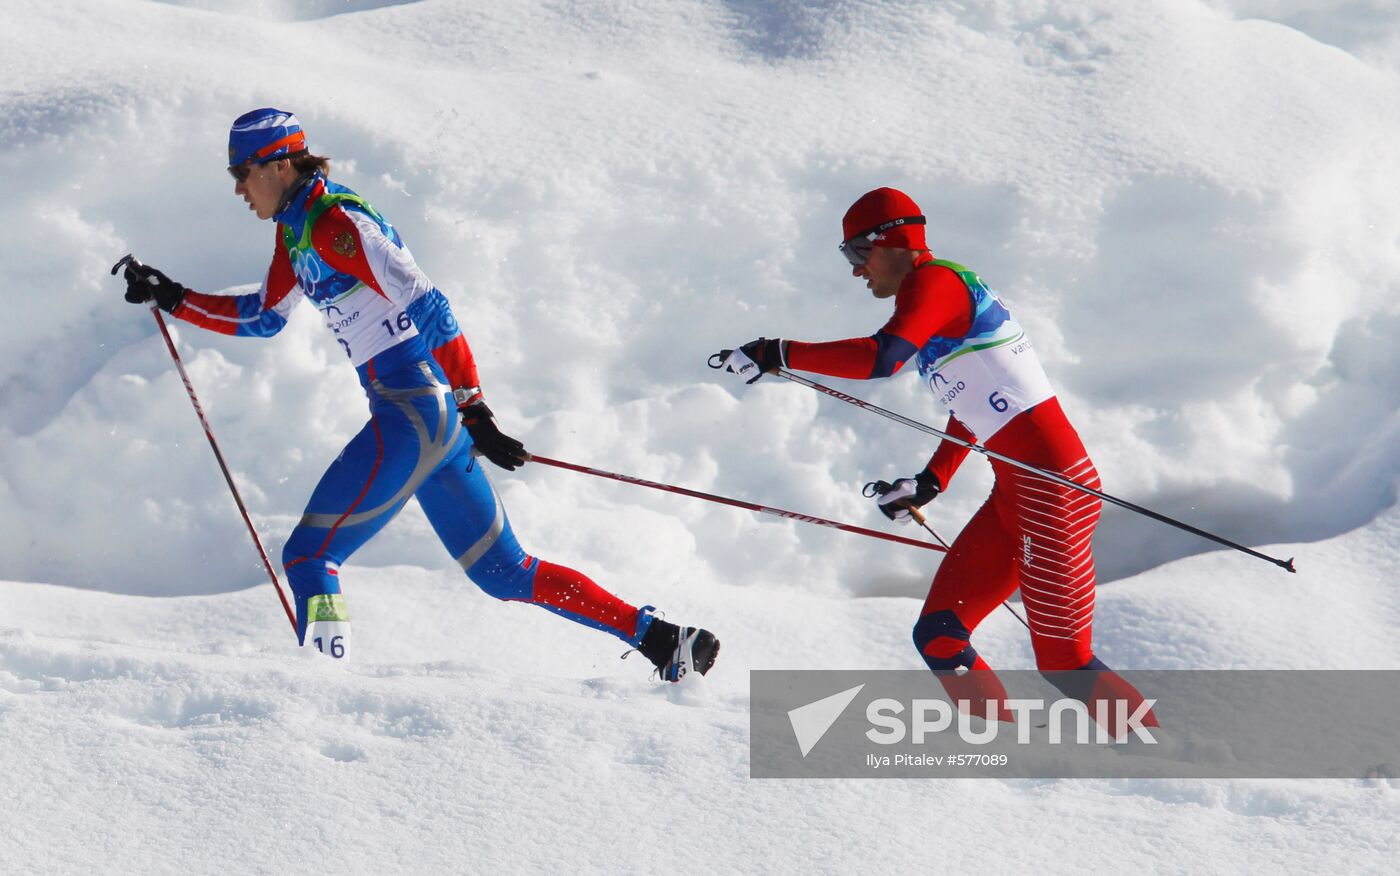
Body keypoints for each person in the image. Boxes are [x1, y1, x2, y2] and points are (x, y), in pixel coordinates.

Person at [115, 108, 718, 682]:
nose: (239, 190)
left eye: (240, 174)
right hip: (426, 415)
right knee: (506, 572)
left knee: (308, 557)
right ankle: (664, 640)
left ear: (277, 164)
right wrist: (171, 296)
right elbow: (265, 316)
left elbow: (427, 301)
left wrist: (474, 404)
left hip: (414, 411)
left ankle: (320, 688)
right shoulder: (295, 231)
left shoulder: (336, 223)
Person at [715, 187, 1151, 723]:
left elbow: (883, 358)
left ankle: (1159, 754)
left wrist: (780, 352)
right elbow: (973, 405)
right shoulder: (936, 292)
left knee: (1063, 661)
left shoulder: (936, 283)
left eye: (856, 254)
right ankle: (1005, 749)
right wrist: (932, 480)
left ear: (891, 240)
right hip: (1019, 489)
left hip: (1052, 489)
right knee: (941, 635)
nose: (856, 272)